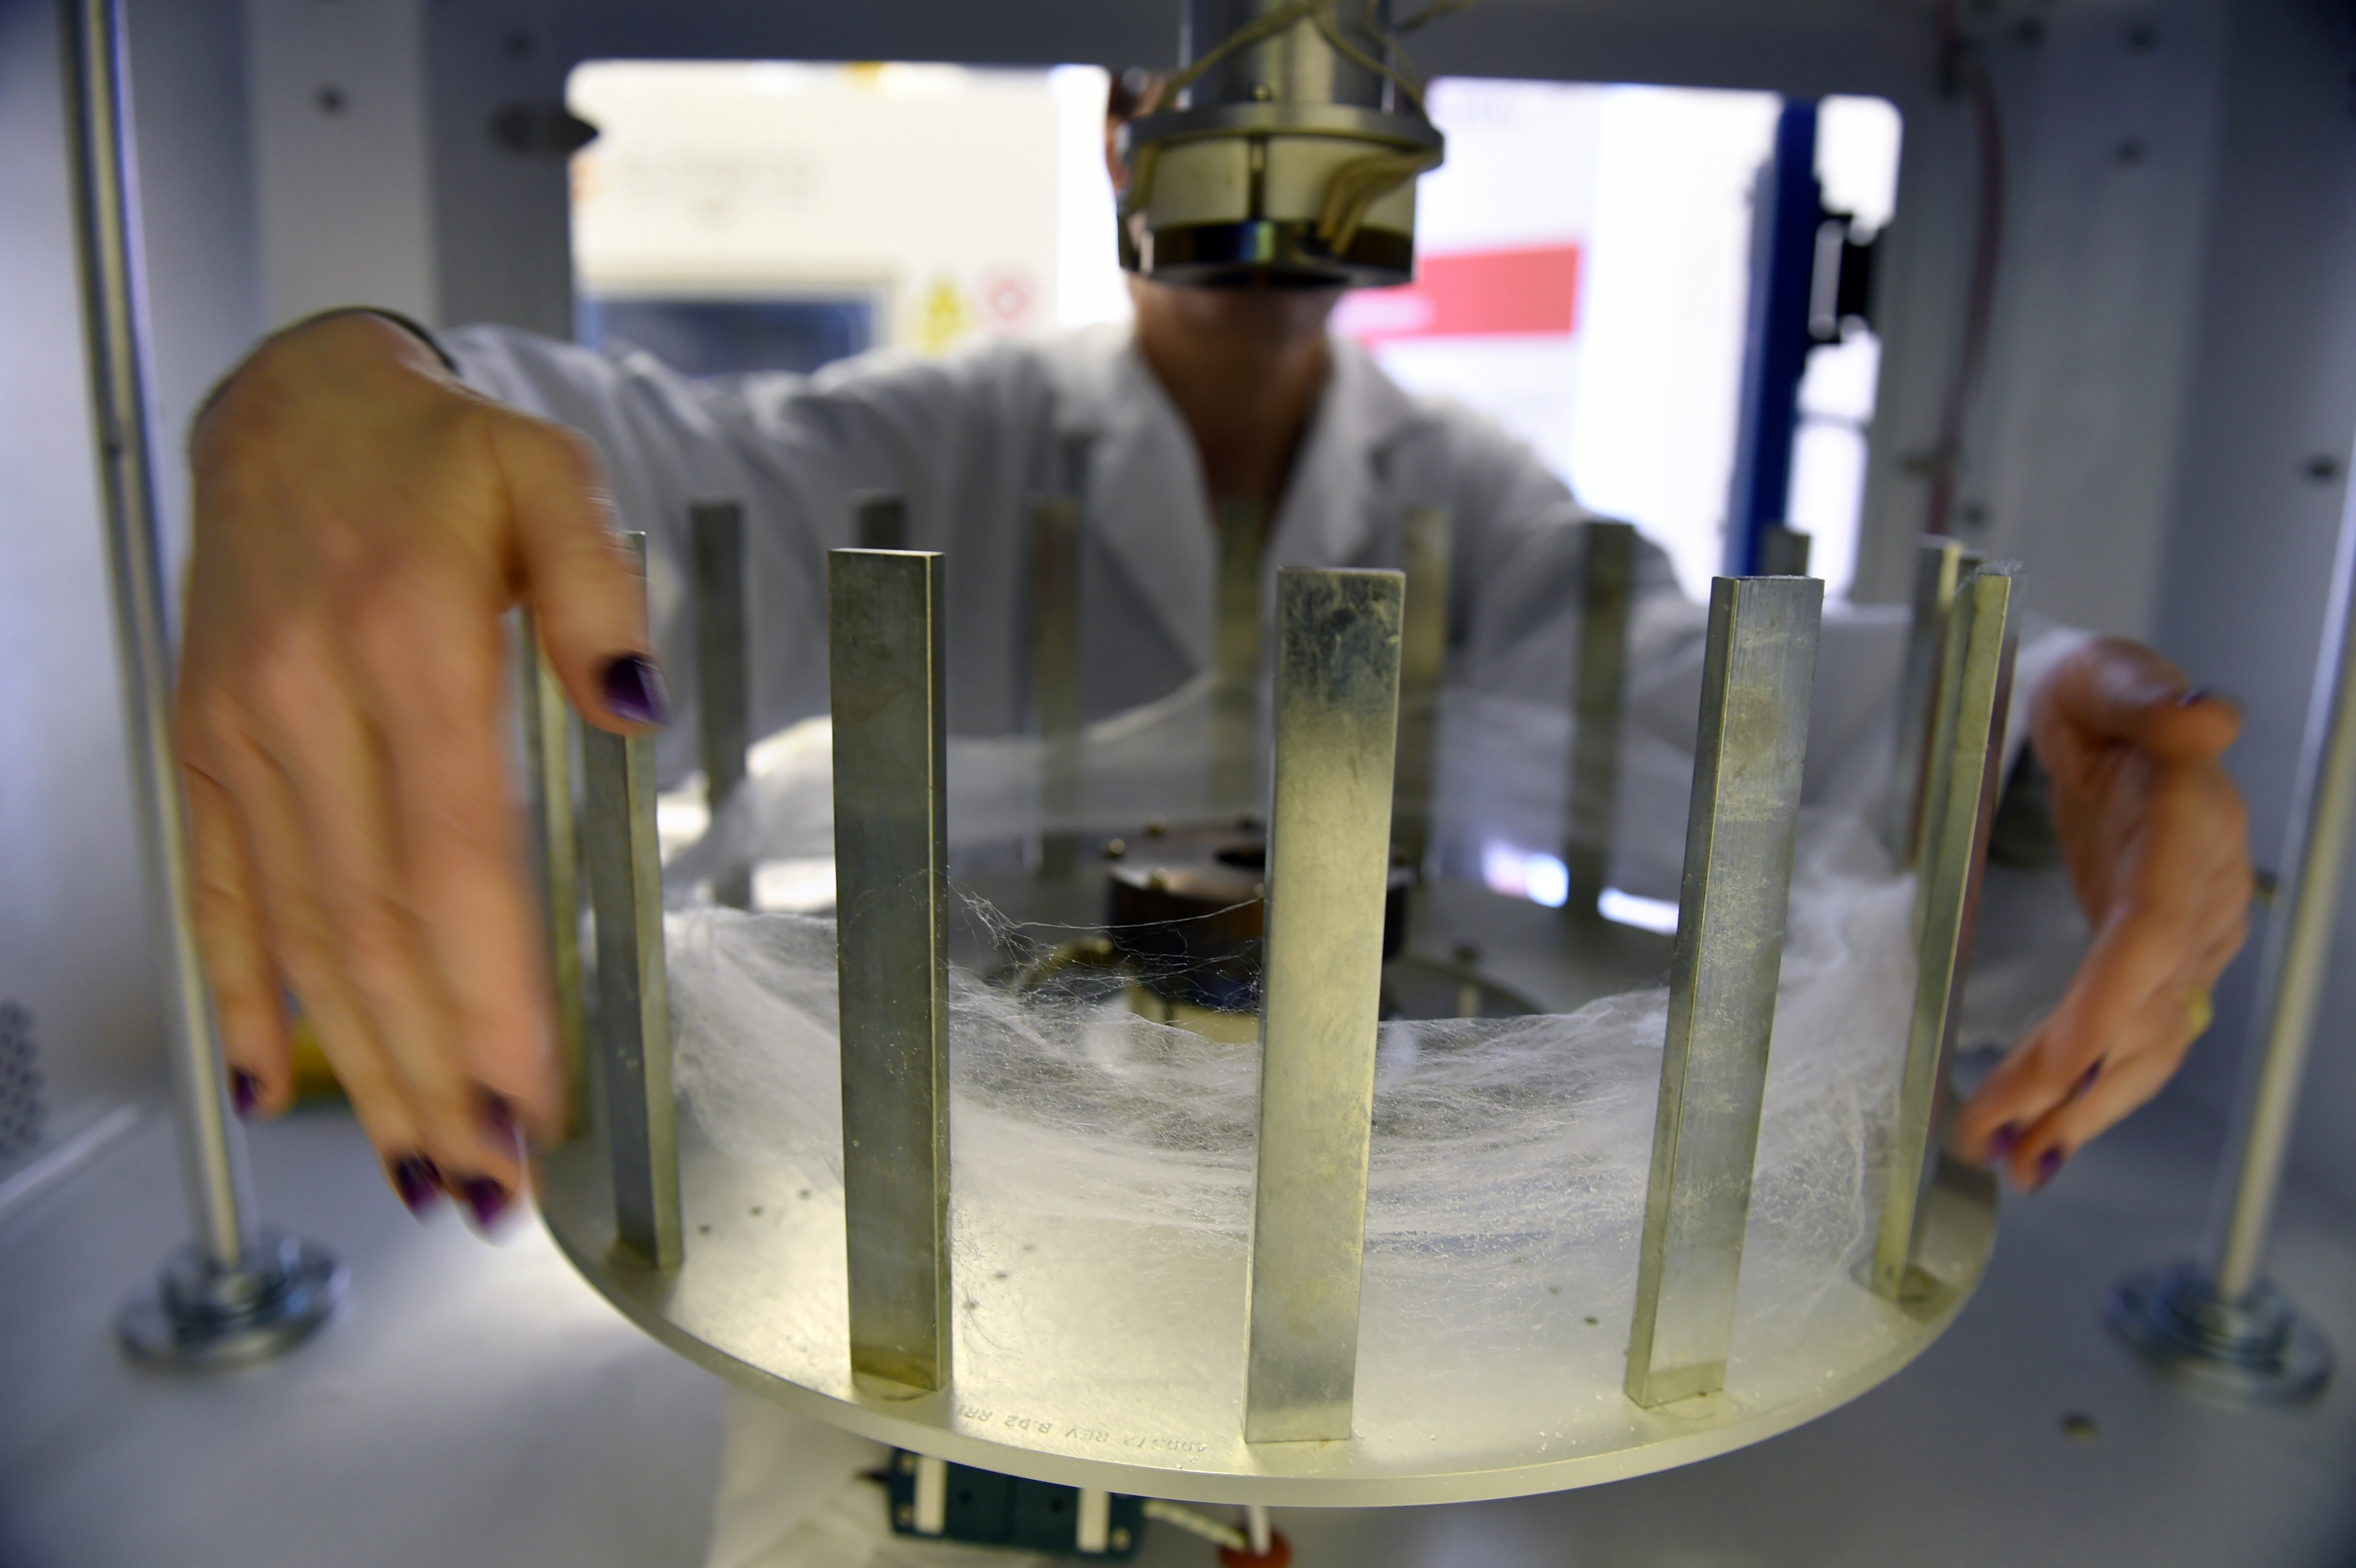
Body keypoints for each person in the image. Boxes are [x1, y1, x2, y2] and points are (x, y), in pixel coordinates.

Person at [175, 82, 2250, 1244]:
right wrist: (356, 387)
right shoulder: (944, 441)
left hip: (1366, 1231)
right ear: (1109, 133)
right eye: (1211, 88)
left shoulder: (1470, 503)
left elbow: (1715, 709)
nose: (1281, 147)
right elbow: (646, 481)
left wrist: (2037, 719)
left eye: (1358, 88)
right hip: (970, 1199)